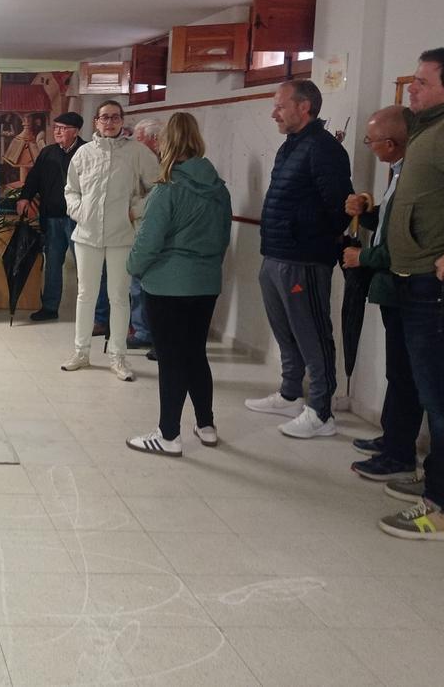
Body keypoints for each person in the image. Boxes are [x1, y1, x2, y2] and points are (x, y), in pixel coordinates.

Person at [378, 47, 444, 542]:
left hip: (442, 287)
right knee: (434, 390)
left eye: (421, 81)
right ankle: (438, 483)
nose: (410, 88)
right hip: (417, 279)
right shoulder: (434, 128)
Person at [245, 79, 353, 438]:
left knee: (312, 333)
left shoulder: (324, 149)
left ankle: (321, 411)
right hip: (276, 252)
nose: (273, 112)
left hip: (304, 258)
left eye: (280, 105)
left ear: (303, 107)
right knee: (285, 330)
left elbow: (339, 207)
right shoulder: (291, 146)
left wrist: (305, 234)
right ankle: (291, 392)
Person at [125, 113, 232, 456]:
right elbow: (223, 237)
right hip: (205, 283)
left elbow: (149, 241)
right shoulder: (219, 188)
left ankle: (168, 435)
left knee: (171, 360)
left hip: (168, 285)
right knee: (195, 354)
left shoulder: (168, 189)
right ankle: (206, 425)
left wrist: (133, 268)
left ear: (166, 143)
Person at [341, 106, 420, 482]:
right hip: (393, 288)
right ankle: (393, 438)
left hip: (409, 288)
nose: (369, 146)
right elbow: (391, 227)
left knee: (406, 374)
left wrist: (365, 256)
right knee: (398, 370)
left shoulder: (417, 178)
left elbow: (410, 244)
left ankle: (399, 454)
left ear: (390, 143)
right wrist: (367, 213)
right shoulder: (399, 172)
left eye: (371, 140)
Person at [61, 99, 159, 380]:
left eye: (115, 117)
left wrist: (135, 211)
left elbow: (157, 188)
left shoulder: (138, 152)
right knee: (85, 295)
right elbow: (71, 190)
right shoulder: (84, 154)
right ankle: (81, 352)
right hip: (87, 235)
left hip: (122, 237)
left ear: (122, 121)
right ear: (96, 122)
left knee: (119, 296)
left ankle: (118, 356)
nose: (109, 122)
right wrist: (79, 211)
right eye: (104, 117)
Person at [16, 111, 85, 321]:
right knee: (53, 264)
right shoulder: (48, 152)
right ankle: (50, 307)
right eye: (55, 128)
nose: (57, 132)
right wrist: (24, 197)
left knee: (85, 266)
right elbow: (34, 178)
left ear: (76, 131)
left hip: (79, 219)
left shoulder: (86, 151)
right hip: (52, 217)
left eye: (62, 129)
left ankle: (89, 311)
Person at [126, 118, 162, 351]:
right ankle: (141, 329)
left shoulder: (156, 162)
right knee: (135, 284)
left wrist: (135, 210)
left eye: (139, 139)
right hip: (135, 229)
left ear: (153, 139)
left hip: (147, 228)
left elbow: (158, 191)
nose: (134, 143)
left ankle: (146, 332)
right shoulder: (140, 156)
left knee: (143, 283)